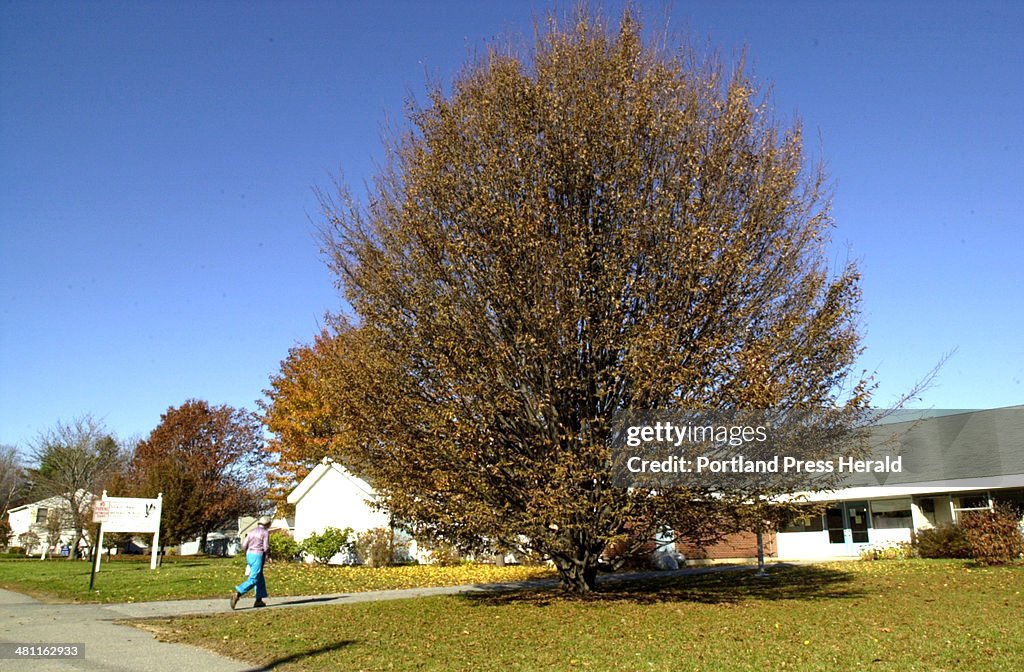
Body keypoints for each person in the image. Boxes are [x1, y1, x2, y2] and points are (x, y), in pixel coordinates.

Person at [231, 515, 270, 609]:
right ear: (268, 524)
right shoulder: (265, 532)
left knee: (259, 576)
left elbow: (244, 545)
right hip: (258, 554)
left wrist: (248, 552)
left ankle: (259, 600)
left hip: (249, 554)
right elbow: (266, 547)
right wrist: (269, 555)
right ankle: (238, 593)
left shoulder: (251, 532)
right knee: (254, 578)